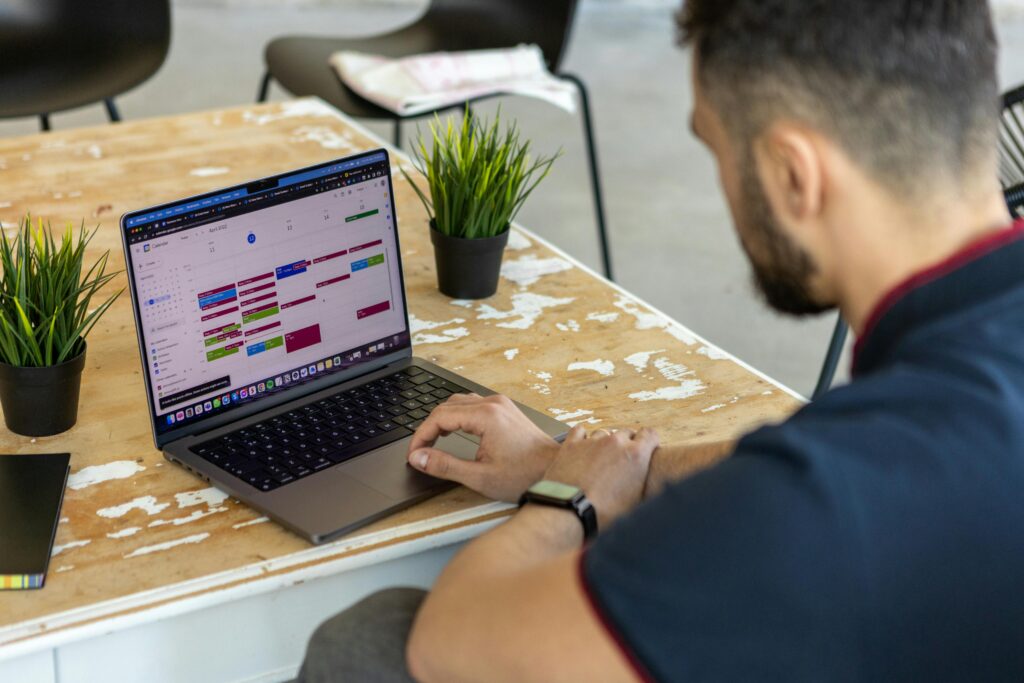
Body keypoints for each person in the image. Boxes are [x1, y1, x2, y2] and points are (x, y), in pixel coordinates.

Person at [297, 1, 1024, 680]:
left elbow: (447, 641)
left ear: (792, 175)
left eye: (717, 147)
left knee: (367, 643)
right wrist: (585, 460)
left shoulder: (827, 508)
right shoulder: (944, 392)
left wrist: (567, 496)